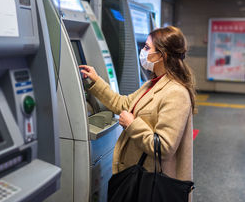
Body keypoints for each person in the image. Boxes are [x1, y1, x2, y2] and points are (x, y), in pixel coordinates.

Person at [79, 26, 196, 192]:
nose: (142, 51)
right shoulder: (154, 83)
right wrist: (95, 81)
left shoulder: (176, 93)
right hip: (142, 177)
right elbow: (123, 104)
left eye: (147, 48)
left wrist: (132, 124)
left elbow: (163, 147)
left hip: (154, 184)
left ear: (162, 55)